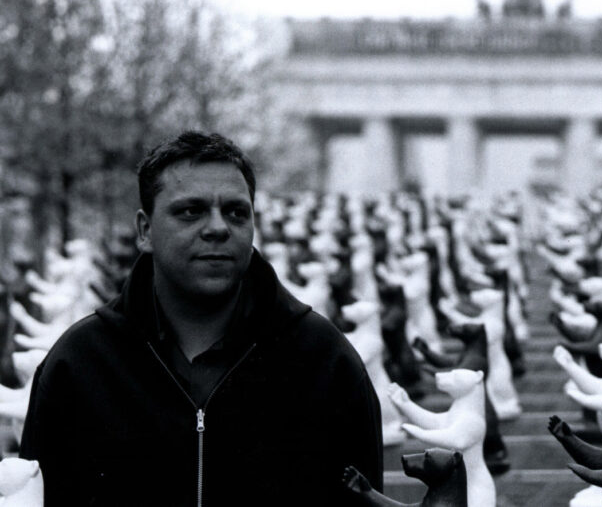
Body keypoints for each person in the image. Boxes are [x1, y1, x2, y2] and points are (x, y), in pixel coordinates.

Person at [20, 131, 383, 506]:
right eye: (191, 211)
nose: (218, 228)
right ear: (145, 231)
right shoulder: (78, 363)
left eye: (236, 212)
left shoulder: (326, 361)